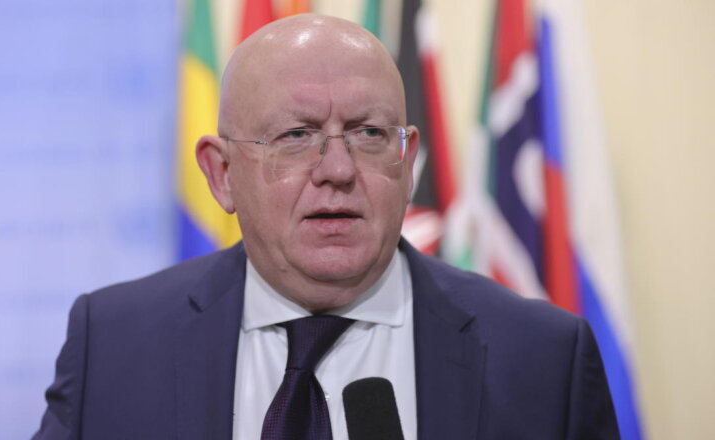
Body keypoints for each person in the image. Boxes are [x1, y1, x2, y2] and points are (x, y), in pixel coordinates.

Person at [34, 14, 619, 440]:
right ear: (222, 174)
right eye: (296, 135)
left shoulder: (544, 358)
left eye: (369, 133)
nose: (338, 170)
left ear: (407, 162)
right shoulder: (112, 346)